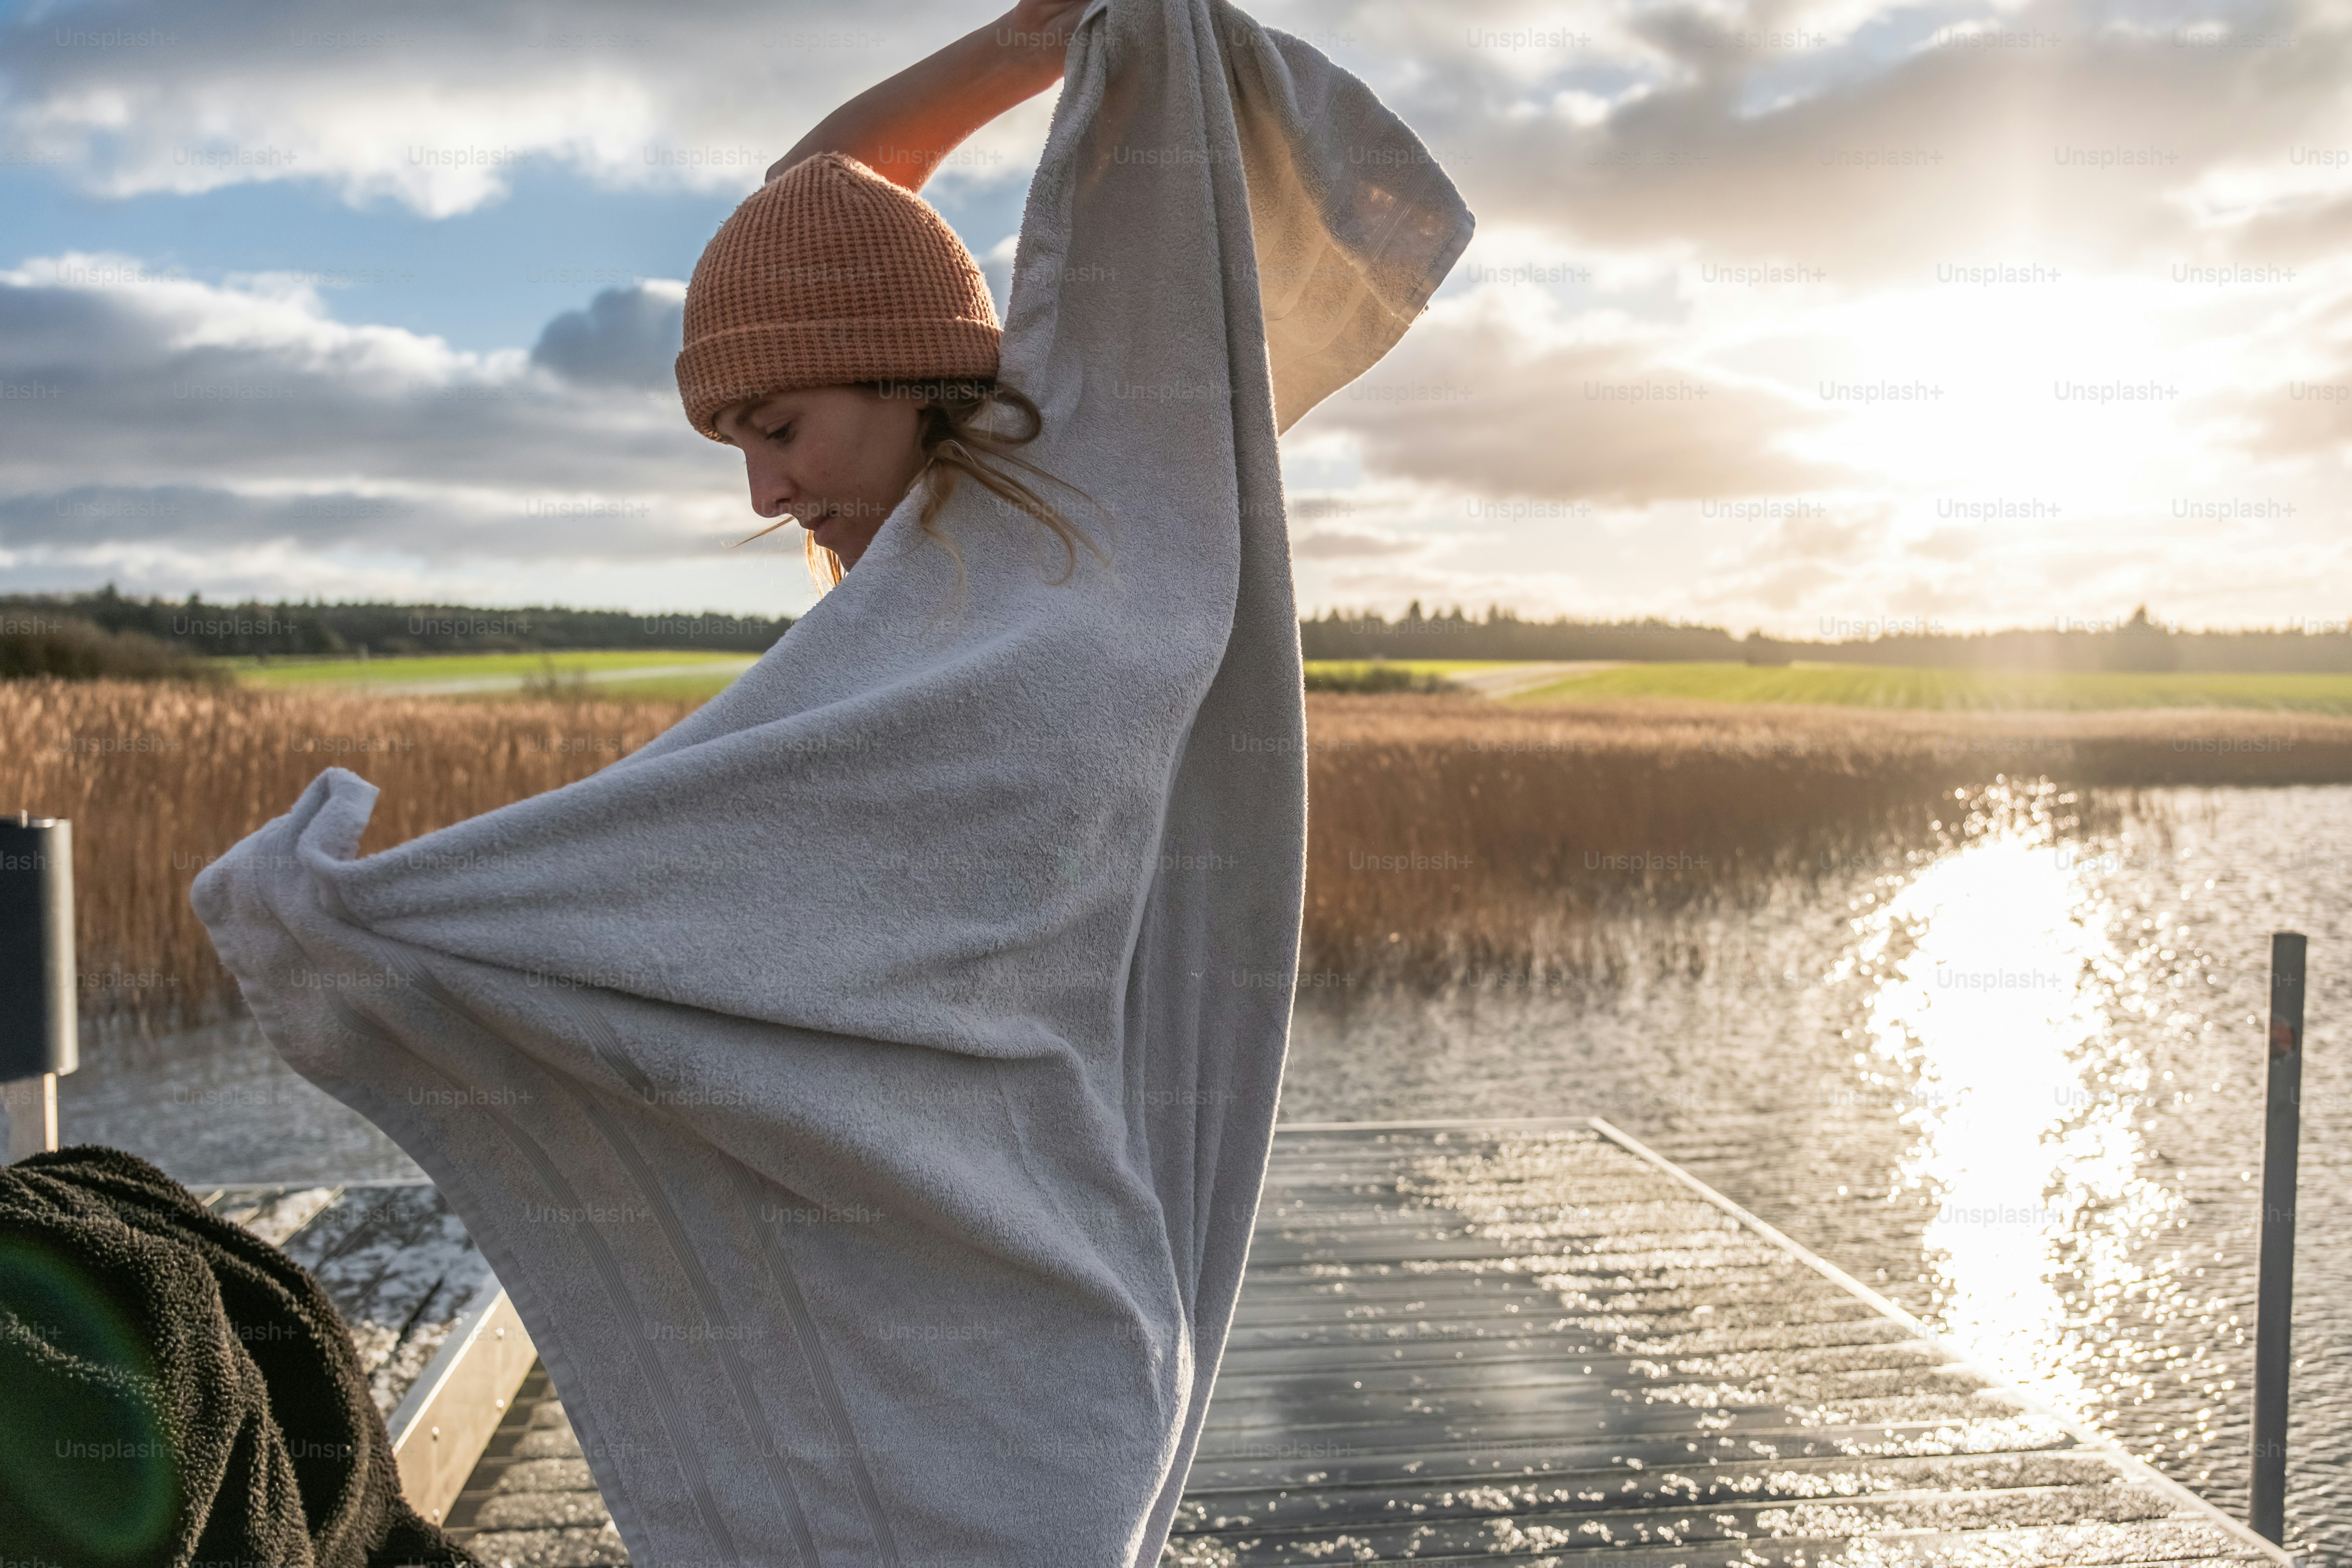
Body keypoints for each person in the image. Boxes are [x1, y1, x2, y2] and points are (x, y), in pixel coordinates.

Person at [681, 0, 1099, 591]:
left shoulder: (1093, 442)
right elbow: (807, 183)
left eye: (779, 432)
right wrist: (1027, 40)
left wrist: (1024, 42)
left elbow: (810, 179)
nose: (763, 500)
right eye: (742, 447)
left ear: (916, 381)